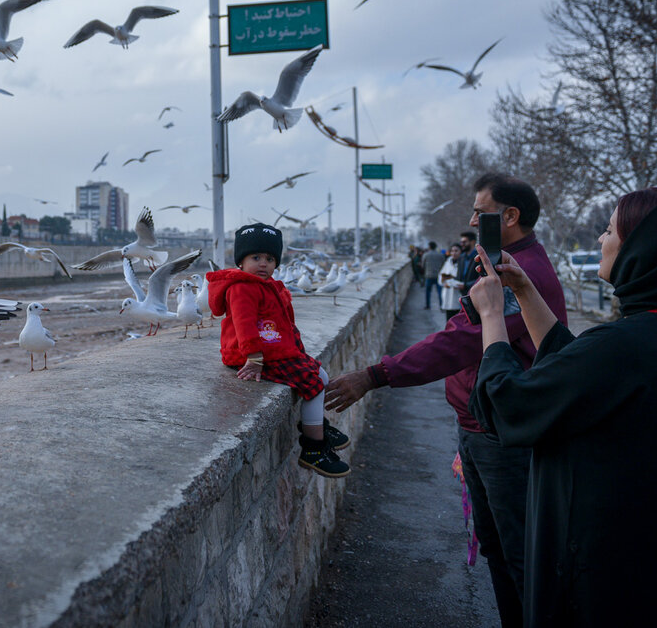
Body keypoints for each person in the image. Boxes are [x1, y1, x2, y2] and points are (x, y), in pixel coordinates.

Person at [469, 189, 657, 626]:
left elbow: (507, 405)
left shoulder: (624, 345)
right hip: (648, 561)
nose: (601, 241)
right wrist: (525, 290)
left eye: (609, 230)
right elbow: (577, 369)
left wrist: (493, 315)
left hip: (594, 570)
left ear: (642, 248)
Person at [326, 174, 567, 628]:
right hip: (482, 427)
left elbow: (461, 341)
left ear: (509, 217)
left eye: (481, 211)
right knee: (499, 548)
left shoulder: (523, 274)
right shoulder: (502, 262)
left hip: (503, 437)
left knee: (520, 555)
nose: (472, 219)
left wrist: (376, 375)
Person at [207, 223, 350, 478]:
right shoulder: (242, 287)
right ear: (241, 261)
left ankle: (317, 426)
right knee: (315, 382)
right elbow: (244, 324)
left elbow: (284, 322)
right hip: (251, 354)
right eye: (256, 257)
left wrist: (296, 349)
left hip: (274, 350)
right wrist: (253, 357)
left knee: (322, 376)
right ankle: (314, 449)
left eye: (270, 258)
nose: (263, 263)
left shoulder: (269, 285)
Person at [438, 243, 463, 320]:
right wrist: (444, 283)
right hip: (448, 296)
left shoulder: (463, 263)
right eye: (452, 251)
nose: (454, 253)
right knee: (449, 321)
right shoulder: (447, 263)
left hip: (458, 296)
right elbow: (440, 277)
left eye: (456, 251)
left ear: (461, 252)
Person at [422, 241, 446, 309]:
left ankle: (428, 305)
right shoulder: (440, 255)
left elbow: (422, 265)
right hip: (438, 276)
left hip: (428, 275)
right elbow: (444, 265)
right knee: (440, 292)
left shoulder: (426, 255)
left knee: (428, 292)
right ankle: (442, 305)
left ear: (429, 247)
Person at [458, 230, 480, 295]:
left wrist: (465, 285)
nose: (462, 244)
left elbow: (481, 278)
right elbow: (459, 275)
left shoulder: (479, 257)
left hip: (476, 293)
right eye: (461, 242)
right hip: (462, 293)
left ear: (473, 242)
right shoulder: (461, 257)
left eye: (464, 242)